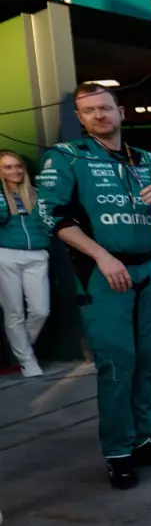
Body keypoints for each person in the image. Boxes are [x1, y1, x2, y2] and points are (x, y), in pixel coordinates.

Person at [36, 82, 151, 488]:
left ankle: (144, 440)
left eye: (105, 108)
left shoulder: (146, 159)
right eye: (89, 111)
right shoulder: (67, 158)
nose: (98, 116)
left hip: (146, 271)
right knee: (117, 364)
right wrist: (101, 256)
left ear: (121, 112)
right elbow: (54, 218)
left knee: (147, 362)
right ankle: (118, 451)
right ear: (80, 117)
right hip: (104, 274)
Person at [0, 151, 52, 377]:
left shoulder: (38, 194)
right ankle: (27, 361)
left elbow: (51, 220)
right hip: (6, 255)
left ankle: (21, 347)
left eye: (18, 166)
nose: (15, 171)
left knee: (41, 310)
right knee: (14, 312)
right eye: (7, 167)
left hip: (37, 254)